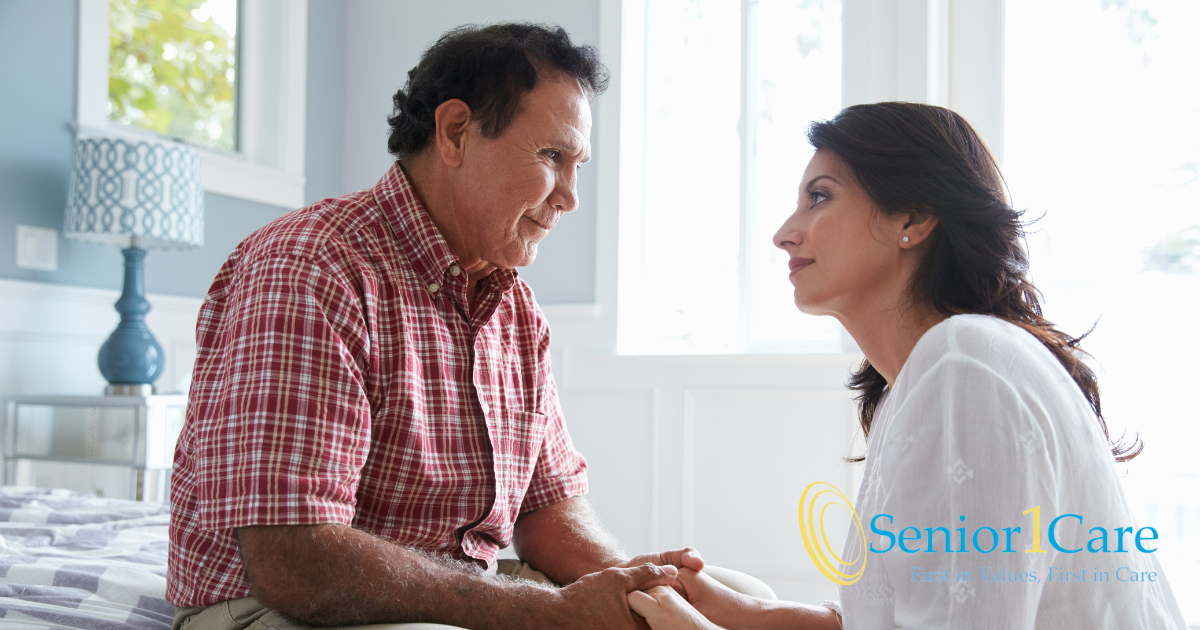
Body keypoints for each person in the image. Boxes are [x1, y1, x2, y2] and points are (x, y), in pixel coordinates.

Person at [166, 23, 772, 630]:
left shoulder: (515, 308)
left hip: (445, 595)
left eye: (577, 164)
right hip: (269, 607)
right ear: (455, 132)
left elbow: (548, 510)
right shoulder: (311, 269)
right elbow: (293, 561)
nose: (570, 197)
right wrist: (552, 613)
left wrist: (639, 593)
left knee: (729, 591)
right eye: (551, 156)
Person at [624, 102, 1188, 629]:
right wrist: (750, 613)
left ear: (913, 219)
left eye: (819, 197)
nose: (784, 233)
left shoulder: (964, 369)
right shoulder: (931, 375)